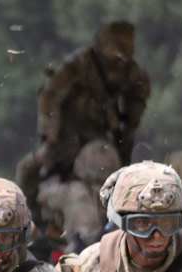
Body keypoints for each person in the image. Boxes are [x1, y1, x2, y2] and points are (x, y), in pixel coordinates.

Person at [19, 22, 151, 230]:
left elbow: (139, 96)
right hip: (66, 133)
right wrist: (51, 133)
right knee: (30, 168)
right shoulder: (80, 63)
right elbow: (51, 94)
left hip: (100, 136)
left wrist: (127, 134)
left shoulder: (130, 71)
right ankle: (31, 220)